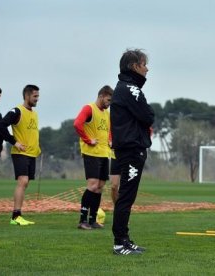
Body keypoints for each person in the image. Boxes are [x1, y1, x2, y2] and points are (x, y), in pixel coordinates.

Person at [110, 48, 155, 255]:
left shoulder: (125, 87)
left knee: (127, 195)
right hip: (131, 149)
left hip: (129, 148)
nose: (147, 69)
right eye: (144, 64)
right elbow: (148, 115)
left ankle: (125, 240)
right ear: (134, 66)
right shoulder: (131, 89)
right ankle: (119, 243)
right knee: (126, 196)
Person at [0, 85, 41, 226]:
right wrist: (14, 142)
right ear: (27, 96)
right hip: (20, 153)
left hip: (31, 154)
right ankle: (16, 216)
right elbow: (0, 126)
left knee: (25, 182)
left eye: (38, 96)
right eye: (35, 96)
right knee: (23, 181)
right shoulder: (17, 111)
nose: (37, 99)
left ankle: (18, 215)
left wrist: (37, 147)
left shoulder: (34, 113)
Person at [73, 85, 113, 230]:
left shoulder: (107, 114)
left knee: (100, 187)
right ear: (101, 96)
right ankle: (82, 220)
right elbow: (77, 124)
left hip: (104, 153)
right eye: (108, 100)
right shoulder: (89, 108)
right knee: (93, 186)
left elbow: (110, 129)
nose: (109, 103)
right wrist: (88, 140)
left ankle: (93, 220)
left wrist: (110, 139)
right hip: (91, 153)